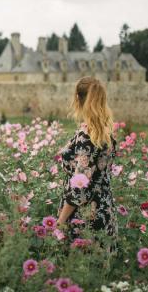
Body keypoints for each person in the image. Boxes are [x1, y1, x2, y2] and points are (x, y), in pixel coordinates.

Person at [56, 76, 118, 244]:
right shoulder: (105, 132)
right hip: (104, 210)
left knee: (80, 267)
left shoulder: (87, 136)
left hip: (84, 217)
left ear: (78, 98)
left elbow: (78, 188)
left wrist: (60, 222)